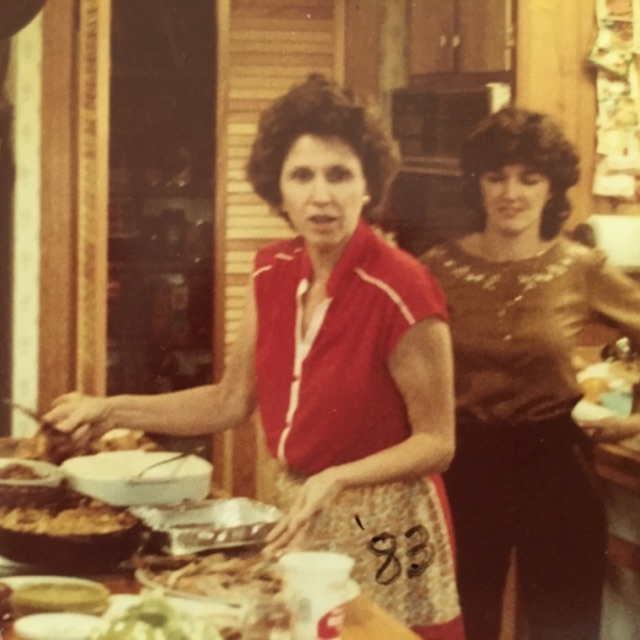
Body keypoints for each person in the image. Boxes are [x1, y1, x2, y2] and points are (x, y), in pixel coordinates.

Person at [44, 74, 464, 639]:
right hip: (300, 511)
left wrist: (338, 478)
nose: (321, 195)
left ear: (369, 185)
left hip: (385, 523)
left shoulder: (404, 287)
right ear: (278, 190)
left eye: (340, 174)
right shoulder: (272, 272)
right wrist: (109, 409)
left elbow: (437, 442)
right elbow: (229, 401)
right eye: (302, 176)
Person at [421, 106, 640, 640]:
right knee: (462, 623)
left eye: (529, 178)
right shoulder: (435, 269)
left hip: (555, 465)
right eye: (496, 177)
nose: (511, 193)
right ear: (477, 184)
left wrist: (634, 420)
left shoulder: (582, 268)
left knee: (564, 626)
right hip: (463, 466)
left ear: (551, 188)